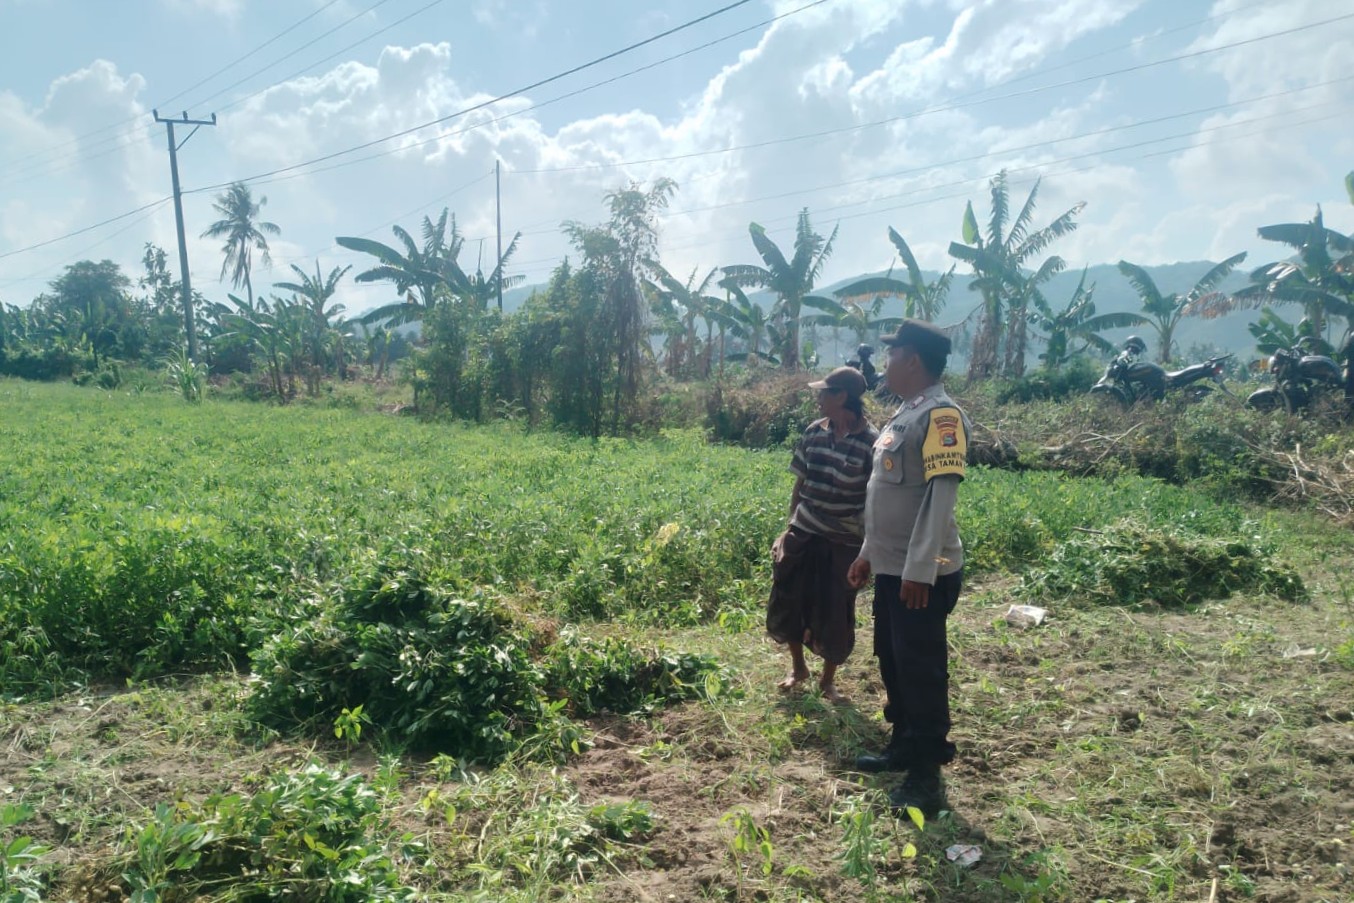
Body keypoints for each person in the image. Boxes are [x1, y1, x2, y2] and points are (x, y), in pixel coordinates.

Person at [847, 319, 969, 816]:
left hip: (922, 573)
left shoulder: (942, 416)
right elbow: (888, 498)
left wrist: (922, 569)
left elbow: (940, 498)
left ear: (913, 359)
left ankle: (926, 777)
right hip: (893, 568)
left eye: (892, 352)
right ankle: (902, 744)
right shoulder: (905, 415)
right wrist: (868, 554)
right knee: (892, 659)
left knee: (920, 668)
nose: (886, 360)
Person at [766, 366, 879, 705]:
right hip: (805, 530)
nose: (818, 399)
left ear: (841, 397)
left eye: (823, 393)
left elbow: (874, 502)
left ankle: (827, 681)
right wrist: (788, 530)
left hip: (844, 539)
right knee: (790, 598)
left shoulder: (872, 444)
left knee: (836, 607)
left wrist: (868, 551)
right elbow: (799, 486)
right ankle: (798, 668)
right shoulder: (814, 432)